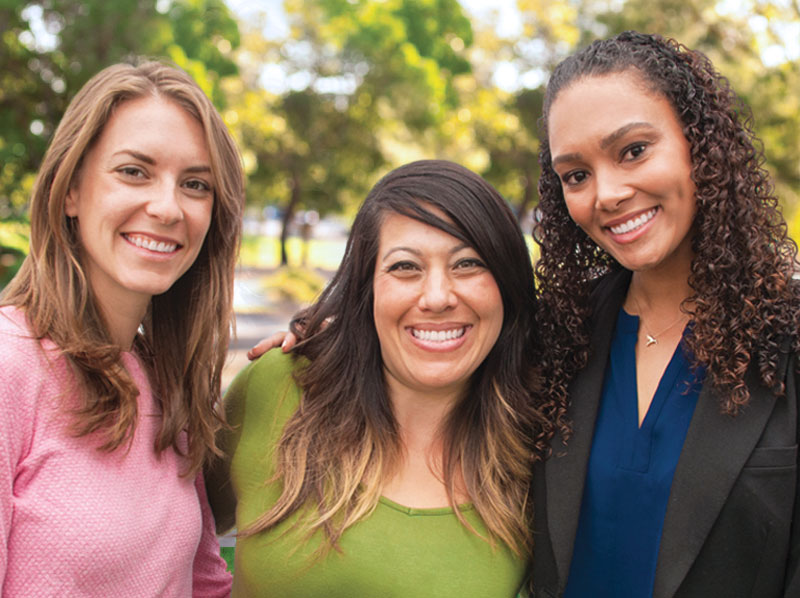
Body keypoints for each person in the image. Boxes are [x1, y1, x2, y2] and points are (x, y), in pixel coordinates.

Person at [531, 31, 800, 597]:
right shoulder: (556, 337)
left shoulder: (790, 336)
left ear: (698, 144)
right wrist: (336, 334)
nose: (606, 193)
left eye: (633, 150)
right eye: (576, 174)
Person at [206, 159, 552, 597]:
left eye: (468, 264)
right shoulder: (276, 387)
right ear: (366, 288)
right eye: (405, 266)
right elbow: (169, 541)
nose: (438, 297)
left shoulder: (542, 449)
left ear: (507, 282)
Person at [0, 60, 244, 596]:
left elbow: (203, 583)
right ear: (70, 190)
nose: (166, 207)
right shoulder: (9, 366)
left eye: (195, 184)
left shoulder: (163, 376)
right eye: (134, 171)